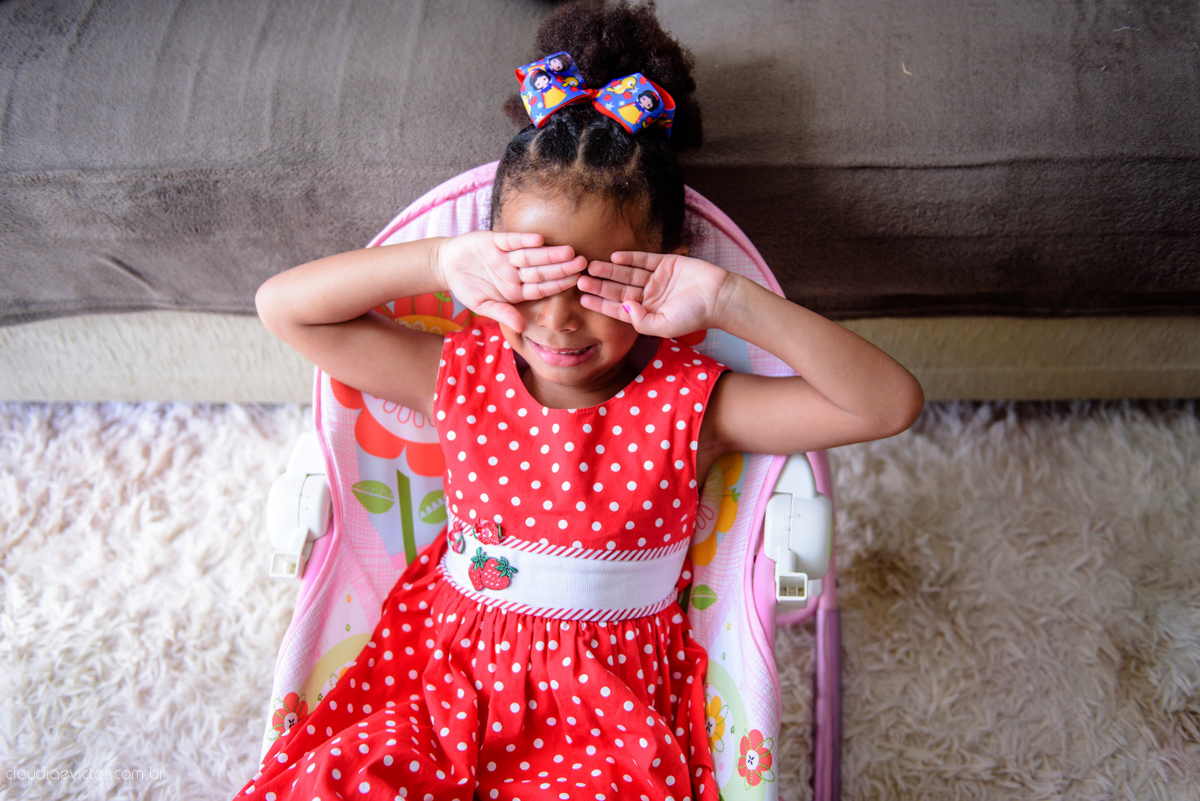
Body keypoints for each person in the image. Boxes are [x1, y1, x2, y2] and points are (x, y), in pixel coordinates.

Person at [237, 2, 923, 799]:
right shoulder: (458, 373)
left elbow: (886, 403)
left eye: (597, 286)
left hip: (600, 717)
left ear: (663, 267)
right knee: (341, 782)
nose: (558, 320)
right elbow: (283, 306)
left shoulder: (688, 406)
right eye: (532, 280)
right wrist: (444, 258)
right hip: (439, 679)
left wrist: (730, 300)